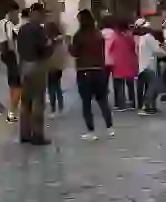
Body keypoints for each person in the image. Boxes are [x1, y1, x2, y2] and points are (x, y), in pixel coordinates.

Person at [70, 9, 113, 140]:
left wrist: (69, 46)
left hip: (84, 70)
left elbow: (75, 52)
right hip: (99, 70)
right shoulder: (98, 34)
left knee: (86, 103)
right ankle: (110, 127)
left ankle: (91, 131)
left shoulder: (79, 35)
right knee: (102, 100)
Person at [15, 3, 51, 145]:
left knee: (25, 102)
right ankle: (37, 135)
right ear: (38, 13)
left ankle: (24, 133)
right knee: (38, 102)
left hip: (23, 65)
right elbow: (43, 48)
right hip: (36, 65)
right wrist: (50, 46)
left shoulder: (22, 29)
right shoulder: (38, 29)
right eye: (42, 14)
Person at [136, 23, 166, 114]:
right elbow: (158, 50)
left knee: (149, 87)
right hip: (148, 67)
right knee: (154, 86)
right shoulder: (149, 37)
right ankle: (146, 106)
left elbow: (159, 46)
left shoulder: (143, 38)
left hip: (142, 67)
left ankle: (150, 107)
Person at [0, 6, 21, 123]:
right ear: (11, 13)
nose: (17, 16)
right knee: (17, 85)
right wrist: (16, 55)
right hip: (11, 55)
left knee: (13, 83)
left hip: (5, 55)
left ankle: (12, 111)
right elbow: (11, 39)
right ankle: (11, 112)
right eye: (16, 14)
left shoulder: (0, 23)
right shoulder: (9, 24)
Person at [108, 20, 138, 111]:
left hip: (118, 63)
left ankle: (121, 104)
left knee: (119, 84)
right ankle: (132, 103)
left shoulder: (115, 38)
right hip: (129, 62)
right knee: (130, 83)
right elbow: (134, 48)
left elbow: (110, 50)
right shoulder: (130, 37)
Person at [45, 21, 68, 116]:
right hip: (58, 66)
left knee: (51, 87)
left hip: (51, 65)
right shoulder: (60, 40)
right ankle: (61, 106)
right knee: (57, 86)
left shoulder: (50, 41)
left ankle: (53, 108)